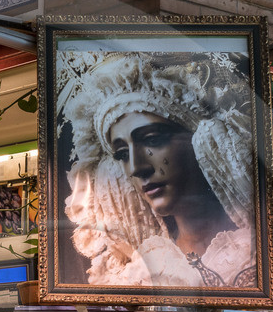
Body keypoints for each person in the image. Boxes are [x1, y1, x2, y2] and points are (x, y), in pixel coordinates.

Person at [56, 51, 261, 290]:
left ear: (201, 140)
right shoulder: (140, 269)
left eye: (152, 140)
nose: (137, 168)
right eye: (122, 154)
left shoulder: (254, 251)